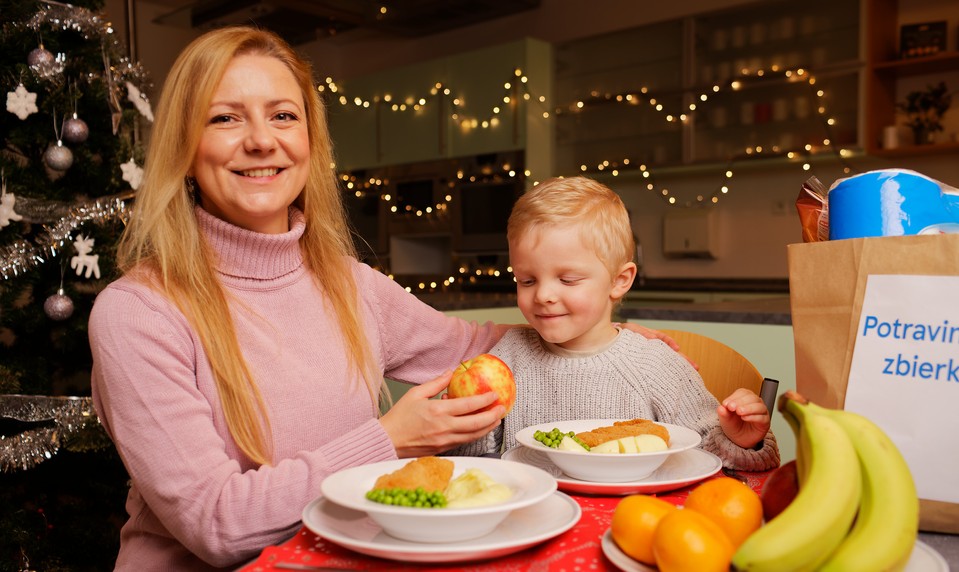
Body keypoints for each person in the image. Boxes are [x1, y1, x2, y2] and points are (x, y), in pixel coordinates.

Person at [87, 27, 674, 571]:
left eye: (283, 116)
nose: (262, 140)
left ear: (309, 142)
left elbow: (474, 348)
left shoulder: (348, 282)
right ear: (185, 147)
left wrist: (601, 341)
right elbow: (215, 525)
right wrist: (389, 441)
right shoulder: (138, 313)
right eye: (225, 118)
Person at [447, 176, 780, 472]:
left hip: (635, 518)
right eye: (527, 280)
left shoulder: (655, 365)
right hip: (535, 520)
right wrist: (460, 424)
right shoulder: (508, 358)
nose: (544, 295)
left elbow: (711, 456)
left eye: (568, 279)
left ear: (620, 281)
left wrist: (743, 440)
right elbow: (474, 463)